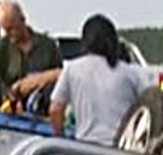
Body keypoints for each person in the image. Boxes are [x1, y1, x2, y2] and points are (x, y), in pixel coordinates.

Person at [49, 14, 145, 146]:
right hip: (122, 150)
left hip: (86, 148)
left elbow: (55, 110)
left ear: (85, 41)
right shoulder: (129, 73)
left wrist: (60, 138)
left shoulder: (72, 69)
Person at [0, 1, 62, 115]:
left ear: (22, 20)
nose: (8, 34)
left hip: (44, 112)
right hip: (12, 115)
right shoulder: (0, 48)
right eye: (5, 30)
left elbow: (61, 77)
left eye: (11, 29)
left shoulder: (48, 46)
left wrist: (34, 81)